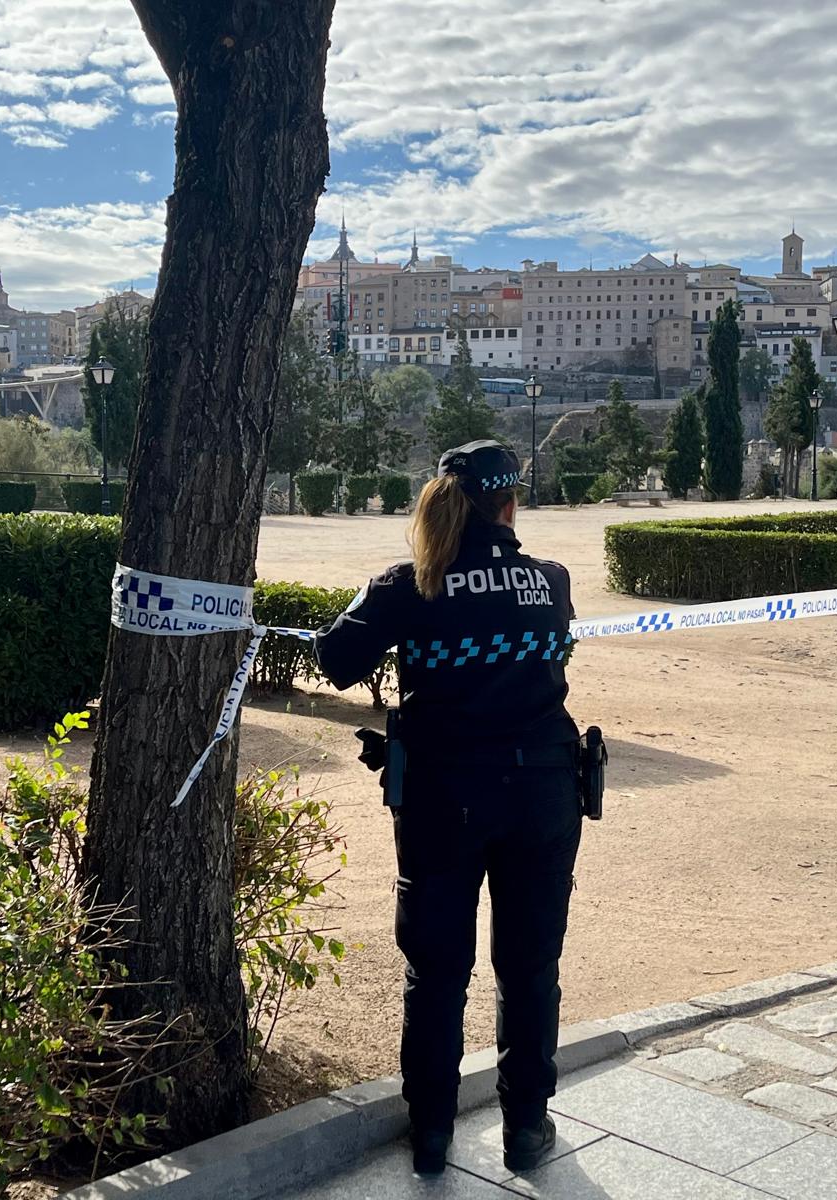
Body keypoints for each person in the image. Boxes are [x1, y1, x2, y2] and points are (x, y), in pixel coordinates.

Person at [314, 440, 582, 1177]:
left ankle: (431, 1133)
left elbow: (333, 660)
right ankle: (527, 1127)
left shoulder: (410, 583)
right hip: (542, 791)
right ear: (509, 504)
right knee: (531, 967)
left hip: (444, 798)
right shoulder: (551, 581)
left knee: (436, 972)